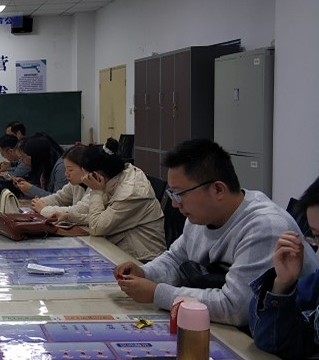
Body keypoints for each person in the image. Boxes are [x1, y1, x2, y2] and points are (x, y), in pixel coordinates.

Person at [115, 139, 319, 327]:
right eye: (172, 194)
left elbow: (235, 308)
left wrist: (157, 293)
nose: (175, 204)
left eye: (180, 194)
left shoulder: (265, 227)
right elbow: (177, 258)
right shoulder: (200, 217)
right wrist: (145, 273)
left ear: (218, 190)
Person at [249, 175, 319, 360]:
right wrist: (282, 284)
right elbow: (270, 341)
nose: (176, 204)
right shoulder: (315, 284)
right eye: (316, 236)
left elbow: (233, 308)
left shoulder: (268, 222)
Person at [73, 138, 165, 262]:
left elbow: (97, 227)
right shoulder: (113, 179)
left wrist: (96, 191)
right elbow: (89, 212)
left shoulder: (130, 193)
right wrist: (65, 215)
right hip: (120, 251)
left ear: (96, 175)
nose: (83, 179)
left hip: (143, 260)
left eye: (85, 174)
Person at [31, 144, 90, 221]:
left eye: (70, 170)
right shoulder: (76, 184)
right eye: (66, 169)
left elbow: (76, 211)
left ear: (85, 169)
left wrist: (44, 209)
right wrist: (40, 202)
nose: (66, 174)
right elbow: (59, 198)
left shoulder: (96, 188)